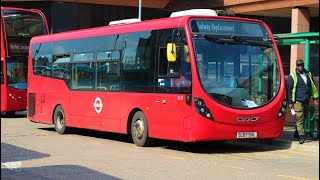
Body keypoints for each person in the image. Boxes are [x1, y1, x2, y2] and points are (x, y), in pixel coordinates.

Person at [286, 59, 319, 144]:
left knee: (304, 117)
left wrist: (315, 99)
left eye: (302, 65)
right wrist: (290, 102)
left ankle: (297, 133)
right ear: (296, 66)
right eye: (299, 65)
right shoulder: (292, 76)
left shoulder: (308, 74)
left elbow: (313, 87)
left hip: (306, 100)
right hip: (297, 101)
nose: (300, 67)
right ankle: (301, 136)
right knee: (299, 117)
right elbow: (289, 90)